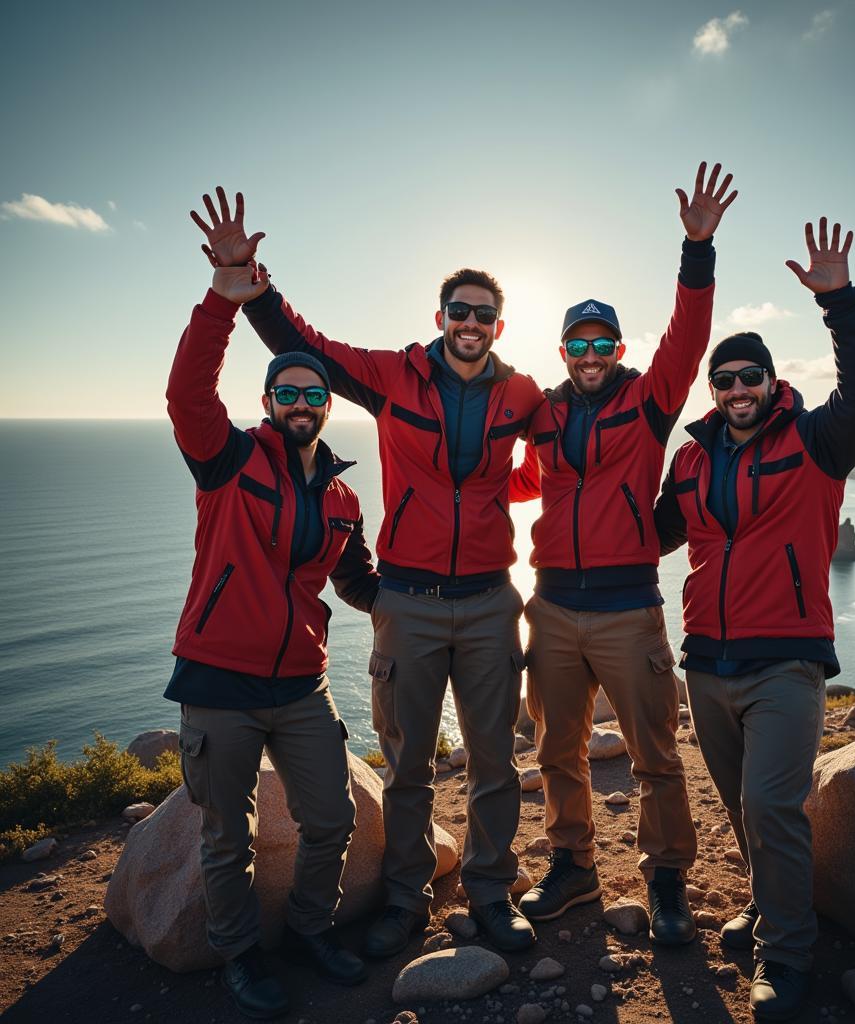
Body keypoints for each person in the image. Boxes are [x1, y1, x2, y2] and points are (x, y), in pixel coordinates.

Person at [191, 188, 546, 956]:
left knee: (494, 763)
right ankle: (405, 899)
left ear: (499, 326)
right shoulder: (393, 376)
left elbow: (569, 453)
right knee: (409, 769)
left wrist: (514, 493)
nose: (471, 322)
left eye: (484, 313)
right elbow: (306, 348)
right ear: (440, 315)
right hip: (409, 602)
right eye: (460, 309)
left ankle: (490, 892)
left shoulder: (521, 393)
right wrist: (248, 281)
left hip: (491, 602)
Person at [653, 219, 855, 1019]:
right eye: (724, 381)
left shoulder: (817, 440)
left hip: (786, 661)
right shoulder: (690, 459)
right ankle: (768, 903)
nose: (737, 391)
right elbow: (649, 533)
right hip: (706, 665)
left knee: (773, 808)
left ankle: (786, 959)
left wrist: (840, 303)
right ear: (713, 391)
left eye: (749, 377)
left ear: (769, 380)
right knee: (739, 804)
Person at [507, 163, 737, 944]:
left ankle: (666, 879)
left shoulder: (649, 400)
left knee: (655, 756)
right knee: (556, 750)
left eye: (603, 341)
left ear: (618, 347)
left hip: (628, 609)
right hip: (551, 606)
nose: (592, 351)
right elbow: (509, 477)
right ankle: (572, 871)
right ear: (564, 347)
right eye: (580, 341)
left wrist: (696, 251)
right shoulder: (541, 411)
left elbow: (689, 336)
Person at [168, 200, 381, 1020]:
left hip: (301, 684)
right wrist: (224, 298)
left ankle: (308, 931)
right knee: (229, 841)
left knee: (330, 819)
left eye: (313, 391)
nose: (301, 399)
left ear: (327, 406)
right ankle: (240, 956)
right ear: (269, 401)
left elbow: (357, 583)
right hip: (217, 681)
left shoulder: (343, 496)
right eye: (287, 390)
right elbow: (187, 391)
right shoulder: (226, 460)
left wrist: (430, 598)